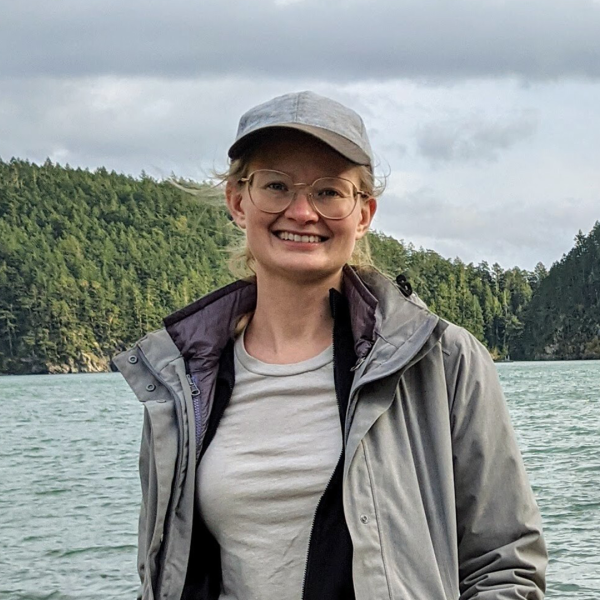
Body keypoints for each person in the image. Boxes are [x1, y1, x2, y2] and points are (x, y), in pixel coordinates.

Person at [114, 91, 547, 600]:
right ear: (238, 201)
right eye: (275, 186)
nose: (301, 211)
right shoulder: (182, 380)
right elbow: (158, 575)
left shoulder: (443, 360)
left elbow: (506, 566)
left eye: (329, 192)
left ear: (363, 213)